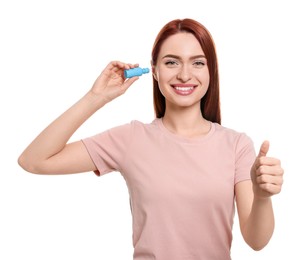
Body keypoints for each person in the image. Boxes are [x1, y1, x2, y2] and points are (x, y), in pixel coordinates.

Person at [18, 18, 284, 259]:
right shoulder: (131, 139)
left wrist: (262, 197)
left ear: (210, 71)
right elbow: (34, 161)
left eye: (198, 62)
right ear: (154, 71)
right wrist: (96, 98)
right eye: (171, 62)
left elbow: (256, 241)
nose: (184, 74)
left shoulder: (236, 145)